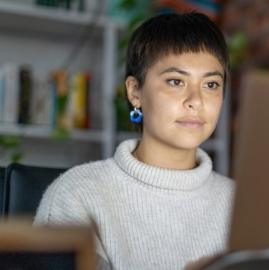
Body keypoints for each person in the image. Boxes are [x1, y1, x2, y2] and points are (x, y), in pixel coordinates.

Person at [34, 12, 235, 270]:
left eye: (211, 84)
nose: (196, 100)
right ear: (135, 92)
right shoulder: (76, 196)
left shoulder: (240, 205)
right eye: (176, 81)